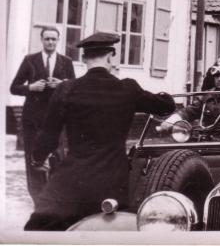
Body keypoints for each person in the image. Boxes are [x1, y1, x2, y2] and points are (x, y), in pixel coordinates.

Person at [23, 32, 176, 231]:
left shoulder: (66, 89)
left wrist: (37, 158)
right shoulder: (127, 88)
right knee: (112, 233)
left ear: (84, 58)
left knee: (37, 230)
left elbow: (48, 136)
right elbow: (166, 106)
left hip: (71, 182)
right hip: (112, 182)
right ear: (111, 57)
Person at [10, 26, 76, 203]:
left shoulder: (66, 61)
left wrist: (62, 84)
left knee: (58, 157)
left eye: (54, 39)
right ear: (41, 40)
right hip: (33, 119)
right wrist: (30, 88)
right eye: (47, 39)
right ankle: (37, 199)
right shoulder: (30, 60)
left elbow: (74, 87)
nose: (50, 42)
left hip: (57, 119)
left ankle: (54, 197)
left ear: (58, 40)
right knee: (33, 158)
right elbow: (14, 87)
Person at [162, 64, 220, 137]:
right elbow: (189, 111)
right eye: (216, 76)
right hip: (205, 137)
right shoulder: (206, 95)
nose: (219, 79)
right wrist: (171, 121)